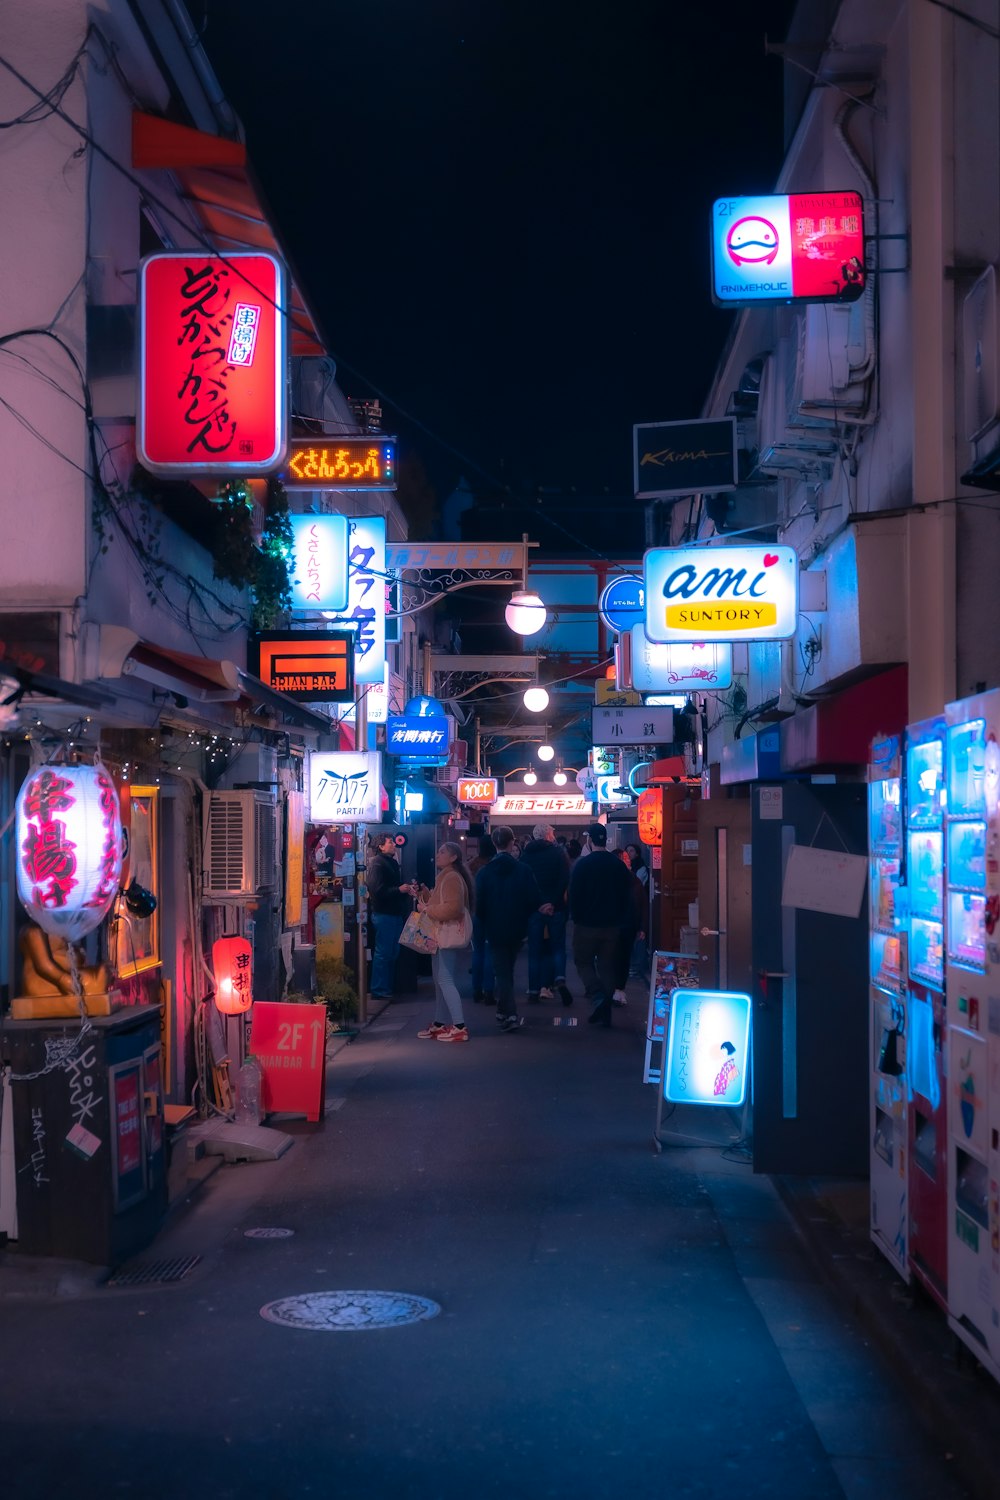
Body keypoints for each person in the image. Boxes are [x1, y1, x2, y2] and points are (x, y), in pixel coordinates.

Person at [475, 825, 550, 1032]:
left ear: (494, 843)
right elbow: (532, 897)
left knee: (503, 971)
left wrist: (483, 921)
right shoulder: (523, 870)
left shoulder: (484, 873)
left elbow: (479, 904)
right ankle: (504, 1011)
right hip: (518, 926)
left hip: (494, 926)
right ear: (512, 842)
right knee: (507, 968)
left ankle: (510, 1014)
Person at [568, 822, 635, 1026]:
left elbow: (574, 895)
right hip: (612, 926)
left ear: (590, 840)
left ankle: (597, 996)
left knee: (583, 961)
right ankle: (605, 1012)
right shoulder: (618, 865)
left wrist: (576, 917)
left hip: (587, 924)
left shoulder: (582, 865)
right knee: (607, 965)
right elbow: (627, 896)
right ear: (605, 839)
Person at [415, 842, 474, 1043]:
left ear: (453, 857)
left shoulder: (451, 878)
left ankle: (459, 1026)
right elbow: (442, 903)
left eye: (442, 852)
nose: (437, 854)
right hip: (440, 935)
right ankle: (440, 1023)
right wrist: (425, 896)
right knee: (440, 981)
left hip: (445, 935)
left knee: (445, 980)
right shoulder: (448, 877)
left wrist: (427, 909)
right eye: (438, 851)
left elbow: (453, 908)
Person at [520, 822, 572, 1005]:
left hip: (535, 909)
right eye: (552, 833)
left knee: (535, 950)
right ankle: (559, 977)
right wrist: (552, 902)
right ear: (548, 835)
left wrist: (539, 903)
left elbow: (525, 883)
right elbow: (565, 878)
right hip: (556, 907)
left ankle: (534, 989)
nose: (553, 836)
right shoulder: (558, 853)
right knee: (557, 946)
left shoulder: (526, 855)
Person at [366, 832, 414, 999]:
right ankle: (379, 990)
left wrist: (404, 889)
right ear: (380, 846)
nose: (394, 844)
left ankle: (386, 988)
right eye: (390, 842)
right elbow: (377, 890)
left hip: (394, 913)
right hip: (383, 914)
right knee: (384, 952)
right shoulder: (377, 864)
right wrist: (399, 890)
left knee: (392, 952)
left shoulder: (391, 862)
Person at [611, 847, 646, 1005]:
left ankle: (617, 989)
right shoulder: (628, 879)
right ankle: (616, 989)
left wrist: (642, 926)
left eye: (628, 856)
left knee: (622, 957)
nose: (628, 860)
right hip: (619, 924)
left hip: (625, 924)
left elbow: (642, 904)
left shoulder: (634, 879)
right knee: (618, 957)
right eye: (624, 857)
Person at [467, 834, 496, 1005]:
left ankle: (476, 989)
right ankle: (489, 990)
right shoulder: (494, 866)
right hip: (492, 913)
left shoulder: (471, 865)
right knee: (490, 951)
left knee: (477, 951)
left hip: (474, 913)